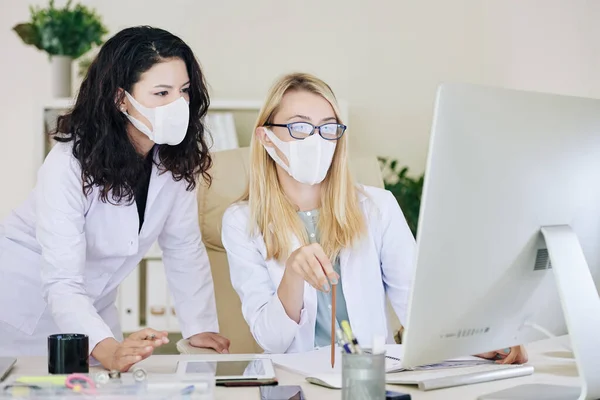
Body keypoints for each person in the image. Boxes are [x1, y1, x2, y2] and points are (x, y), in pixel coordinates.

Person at [221, 72, 527, 364]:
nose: (316, 140)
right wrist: (293, 274)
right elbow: (271, 340)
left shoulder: (377, 206)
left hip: (370, 376)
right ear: (265, 137)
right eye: (299, 127)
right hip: (294, 381)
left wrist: (480, 342)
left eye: (328, 128)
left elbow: (417, 307)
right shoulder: (241, 221)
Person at [0, 26, 230, 371]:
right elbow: (62, 281)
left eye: (184, 91)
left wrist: (199, 328)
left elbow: (183, 247)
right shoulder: (67, 166)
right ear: (121, 98)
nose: (178, 104)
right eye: (161, 92)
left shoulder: (173, 161)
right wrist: (106, 349)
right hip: (24, 302)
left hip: (93, 305)